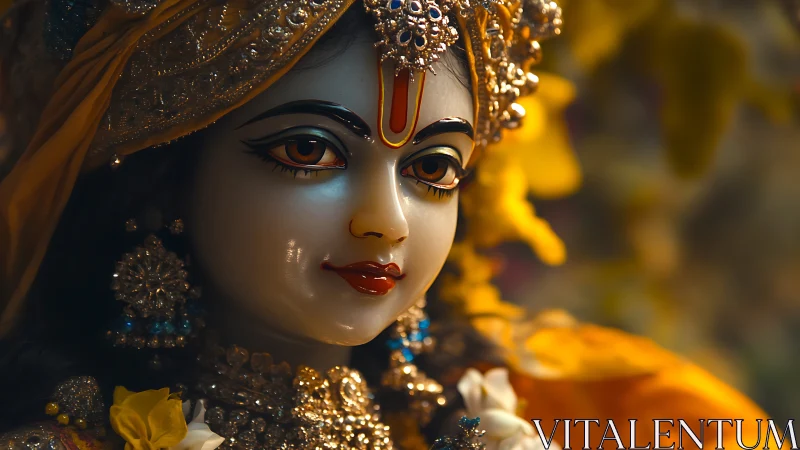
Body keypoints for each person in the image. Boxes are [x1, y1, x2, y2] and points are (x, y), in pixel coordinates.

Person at [0, 0, 767, 448]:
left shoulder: (567, 415)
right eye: (309, 151)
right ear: (163, 176)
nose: (385, 223)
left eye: (433, 169)